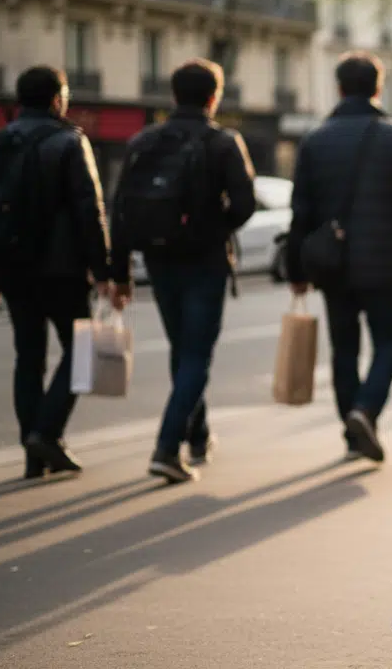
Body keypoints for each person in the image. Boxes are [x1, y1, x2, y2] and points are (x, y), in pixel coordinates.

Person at [109, 58, 256, 484]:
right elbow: (245, 204)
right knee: (196, 354)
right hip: (205, 260)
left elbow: (121, 211)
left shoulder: (142, 141)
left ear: (173, 96)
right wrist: (214, 228)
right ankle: (167, 447)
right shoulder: (223, 142)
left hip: (159, 259)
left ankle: (198, 435)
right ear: (214, 98)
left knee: (183, 348)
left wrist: (119, 273)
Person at [286, 51, 392, 463]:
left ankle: (353, 433)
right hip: (383, 263)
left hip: (331, 265)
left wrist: (296, 270)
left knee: (344, 349)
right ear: (378, 88)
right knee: (388, 343)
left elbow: (300, 213)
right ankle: (365, 411)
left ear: (338, 89)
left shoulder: (314, 140)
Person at [0, 66, 112, 479]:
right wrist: (104, 270)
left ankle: (34, 456)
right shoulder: (69, 141)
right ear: (56, 99)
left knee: (28, 358)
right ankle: (46, 433)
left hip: (12, 268)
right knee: (82, 351)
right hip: (62, 270)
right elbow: (90, 211)